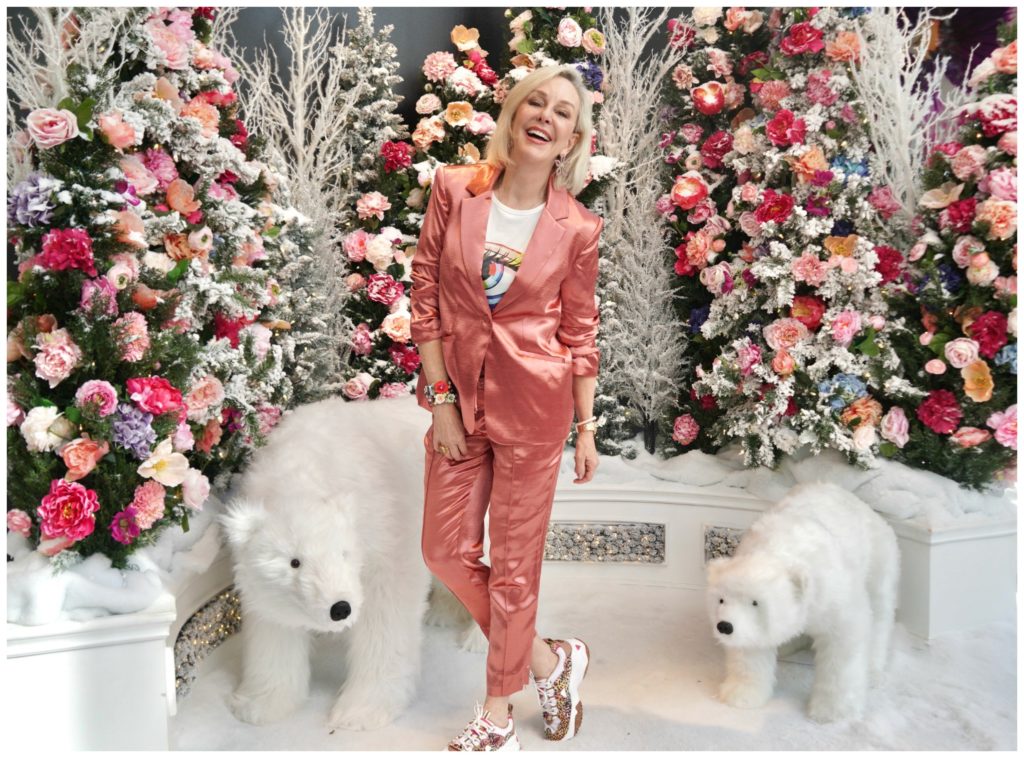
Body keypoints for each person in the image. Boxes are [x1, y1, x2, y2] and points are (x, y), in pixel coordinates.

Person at [410, 64, 604, 752]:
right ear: (516, 114)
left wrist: (586, 427)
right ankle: (553, 664)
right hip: (456, 402)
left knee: (517, 568)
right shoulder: (453, 190)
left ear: (570, 140)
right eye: (537, 103)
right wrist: (440, 401)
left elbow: (579, 331)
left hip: (536, 413)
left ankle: (496, 717)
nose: (546, 116)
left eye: (562, 112)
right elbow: (425, 295)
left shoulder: (577, 228)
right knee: (443, 551)